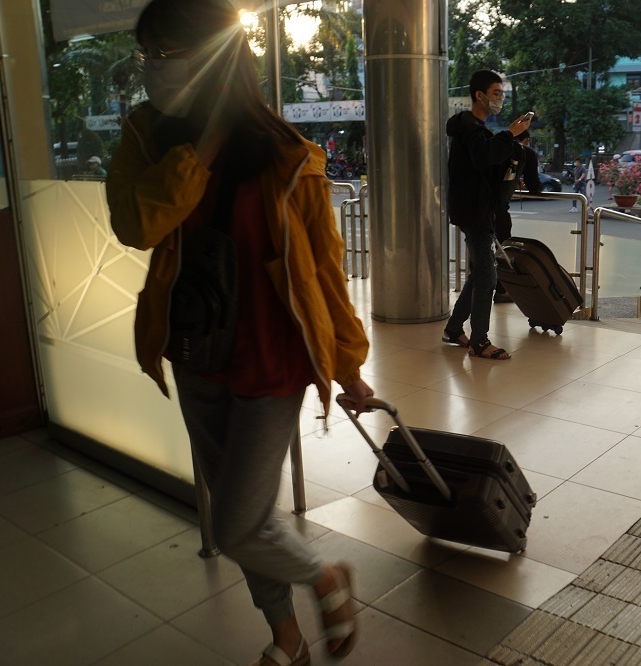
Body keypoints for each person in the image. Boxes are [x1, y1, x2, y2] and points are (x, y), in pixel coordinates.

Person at [106, 2, 371, 664]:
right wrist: (201, 147)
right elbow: (137, 226)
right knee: (242, 515)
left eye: (170, 55)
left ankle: (326, 578)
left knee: (236, 523)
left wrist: (348, 366)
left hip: (273, 360)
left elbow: (327, 276)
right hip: (197, 351)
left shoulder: (289, 154)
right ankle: (287, 638)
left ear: (217, 54)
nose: (157, 74)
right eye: (149, 59)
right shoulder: (145, 138)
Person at [442, 70, 532, 360]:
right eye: (496, 93)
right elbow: (484, 157)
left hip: (479, 209)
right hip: (475, 211)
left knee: (480, 273)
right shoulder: (470, 127)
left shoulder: (475, 128)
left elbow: (485, 162)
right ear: (479, 95)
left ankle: (454, 329)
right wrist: (510, 135)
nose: (500, 98)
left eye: (502, 93)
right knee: (488, 277)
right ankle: (479, 340)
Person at [493, 129, 543, 303]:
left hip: (477, 208)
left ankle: (479, 289)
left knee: (480, 250)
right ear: (526, 139)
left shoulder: (495, 145)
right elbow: (534, 184)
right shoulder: (525, 152)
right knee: (504, 249)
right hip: (498, 208)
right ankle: (501, 290)